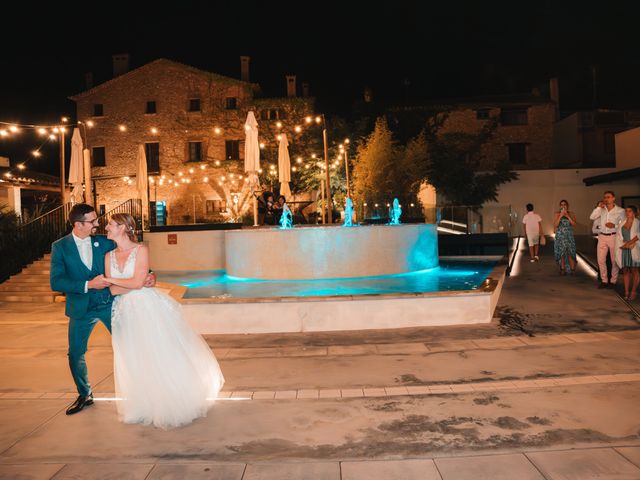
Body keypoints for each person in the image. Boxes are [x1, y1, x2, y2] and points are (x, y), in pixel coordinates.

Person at [104, 213, 224, 429]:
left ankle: (170, 402)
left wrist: (109, 280)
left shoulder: (141, 250)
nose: (106, 227)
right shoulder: (108, 256)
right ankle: (142, 405)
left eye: (111, 224)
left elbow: (139, 282)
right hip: (123, 310)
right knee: (133, 357)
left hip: (146, 308)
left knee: (158, 353)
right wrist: (122, 283)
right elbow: (115, 290)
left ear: (122, 228)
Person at [50, 204, 155, 416]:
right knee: (76, 353)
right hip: (81, 309)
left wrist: (151, 275)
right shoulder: (60, 247)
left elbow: (128, 256)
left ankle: (143, 393)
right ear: (79, 224)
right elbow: (57, 281)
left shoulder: (104, 242)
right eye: (93, 221)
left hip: (110, 304)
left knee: (130, 348)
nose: (98, 225)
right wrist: (88, 285)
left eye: (99, 221)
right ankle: (85, 393)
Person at [590, 191, 626, 288]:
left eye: (608, 197)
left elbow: (624, 225)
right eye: (605, 197)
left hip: (613, 236)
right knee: (601, 260)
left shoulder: (620, 210)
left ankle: (613, 281)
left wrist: (614, 225)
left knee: (614, 260)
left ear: (613, 198)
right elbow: (592, 217)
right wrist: (598, 207)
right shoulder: (601, 209)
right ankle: (604, 280)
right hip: (602, 236)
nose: (606, 199)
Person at [615, 206, 639, 301]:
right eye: (626, 211)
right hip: (625, 248)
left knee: (634, 270)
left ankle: (633, 292)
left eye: (629, 211)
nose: (627, 213)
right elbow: (619, 235)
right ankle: (626, 292)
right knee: (625, 271)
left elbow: (638, 235)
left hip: (634, 248)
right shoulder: (622, 223)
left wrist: (629, 243)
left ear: (634, 213)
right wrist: (622, 243)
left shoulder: (637, 223)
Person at [553, 199, 577, 275]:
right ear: (560, 206)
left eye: (564, 205)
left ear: (567, 206)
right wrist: (560, 216)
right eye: (562, 205)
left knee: (571, 252)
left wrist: (567, 216)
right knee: (562, 252)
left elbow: (574, 224)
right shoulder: (557, 214)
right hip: (560, 236)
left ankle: (572, 269)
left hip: (569, 235)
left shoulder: (571, 213)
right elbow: (555, 225)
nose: (563, 206)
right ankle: (562, 269)